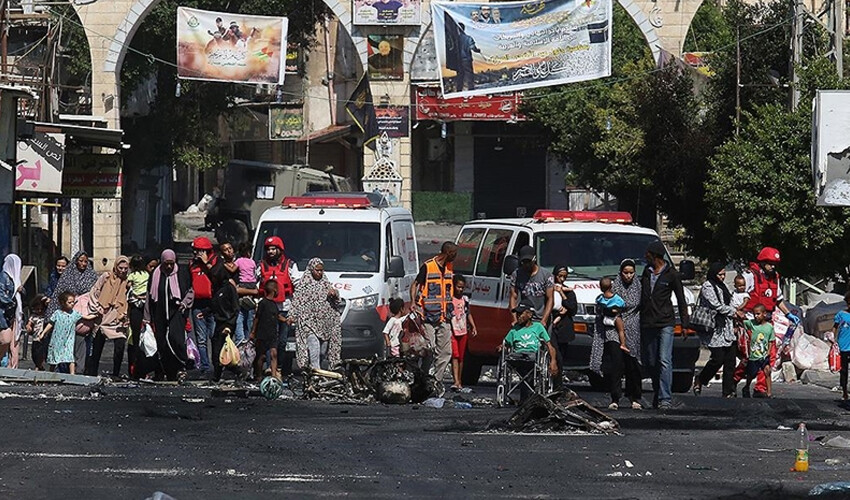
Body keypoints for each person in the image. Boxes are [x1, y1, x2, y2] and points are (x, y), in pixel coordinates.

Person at [736, 247, 800, 397]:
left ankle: (760, 388)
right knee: (750, 357)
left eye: (774, 264)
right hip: (751, 322)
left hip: (767, 323)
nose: (773, 267)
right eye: (770, 263)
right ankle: (735, 379)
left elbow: (778, 300)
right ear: (763, 262)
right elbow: (739, 294)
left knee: (768, 356)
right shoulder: (751, 276)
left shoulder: (774, 277)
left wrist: (788, 314)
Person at [640, 240, 689, 410]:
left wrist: (684, 324)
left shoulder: (671, 275)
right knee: (651, 361)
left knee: (664, 360)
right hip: (648, 323)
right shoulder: (646, 273)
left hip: (665, 322)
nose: (645, 257)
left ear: (655, 256)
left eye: (648, 254)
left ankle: (665, 398)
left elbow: (681, 300)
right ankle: (657, 392)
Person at [410, 241, 457, 394]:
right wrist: (412, 302)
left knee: (445, 352)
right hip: (428, 316)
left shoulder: (450, 268)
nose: (456, 257)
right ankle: (423, 378)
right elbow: (415, 284)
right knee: (429, 350)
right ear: (448, 253)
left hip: (444, 317)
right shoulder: (428, 266)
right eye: (454, 253)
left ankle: (436, 383)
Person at [144, 250, 194, 382]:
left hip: (176, 313)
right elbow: (150, 296)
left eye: (171, 264)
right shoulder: (156, 274)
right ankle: (167, 371)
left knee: (176, 339)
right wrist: (147, 317)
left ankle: (181, 367)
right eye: (166, 264)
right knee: (162, 343)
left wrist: (184, 303)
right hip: (159, 314)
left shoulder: (181, 273)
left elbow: (190, 291)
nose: (169, 267)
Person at [692, 263, 741, 398]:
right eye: (720, 274)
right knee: (717, 359)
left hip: (727, 328)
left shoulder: (724, 287)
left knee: (730, 361)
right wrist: (733, 312)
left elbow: (729, 303)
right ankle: (701, 379)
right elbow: (716, 305)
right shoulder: (708, 286)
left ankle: (728, 392)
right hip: (715, 328)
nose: (722, 277)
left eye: (724, 274)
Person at [47, 251, 99, 371]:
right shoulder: (68, 276)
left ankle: (79, 370)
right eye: (81, 261)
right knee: (64, 344)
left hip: (85, 316)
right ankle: (61, 370)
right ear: (76, 261)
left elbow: (96, 294)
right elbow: (58, 296)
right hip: (67, 318)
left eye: (86, 261)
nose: (83, 264)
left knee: (82, 344)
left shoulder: (91, 276)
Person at [499, 304, 559, 402]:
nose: (518, 316)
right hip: (517, 356)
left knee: (530, 371)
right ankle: (522, 397)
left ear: (529, 314)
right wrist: (501, 347)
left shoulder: (538, 327)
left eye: (520, 314)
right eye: (517, 314)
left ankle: (528, 397)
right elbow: (506, 344)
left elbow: (550, 346)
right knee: (516, 363)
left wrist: (553, 362)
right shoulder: (515, 329)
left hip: (533, 356)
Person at [291, 258, 342, 370]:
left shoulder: (325, 283)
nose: (319, 273)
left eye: (321, 270)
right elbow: (296, 301)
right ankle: (316, 372)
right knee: (314, 346)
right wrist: (291, 316)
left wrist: (334, 294)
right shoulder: (303, 285)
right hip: (308, 322)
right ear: (311, 270)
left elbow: (337, 300)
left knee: (322, 351)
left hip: (325, 324)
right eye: (317, 270)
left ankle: (316, 368)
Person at [255, 236, 297, 372]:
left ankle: (278, 366)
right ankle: (269, 367)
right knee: (268, 340)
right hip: (268, 310)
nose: (271, 252)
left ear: (280, 250)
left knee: (283, 340)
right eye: (268, 249)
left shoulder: (290, 265)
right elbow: (256, 285)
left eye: (273, 249)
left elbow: (296, 284)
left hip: (285, 308)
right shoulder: (261, 266)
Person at [86, 256, 131, 377]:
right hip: (103, 317)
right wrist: (97, 308)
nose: (122, 271)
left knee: (120, 346)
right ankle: (92, 372)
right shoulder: (106, 277)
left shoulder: (128, 281)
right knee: (97, 347)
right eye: (120, 268)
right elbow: (95, 291)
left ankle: (116, 373)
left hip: (119, 317)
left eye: (125, 268)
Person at [189, 236, 226, 374]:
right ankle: (204, 366)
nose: (196, 254)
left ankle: (217, 364)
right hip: (198, 304)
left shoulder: (217, 262)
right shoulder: (192, 264)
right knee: (201, 338)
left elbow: (219, 277)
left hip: (213, 304)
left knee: (214, 336)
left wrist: (206, 264)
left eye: (199, 251)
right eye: (195, 251)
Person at [611, 259, 644, 409]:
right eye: (626, 273)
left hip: (634, 328)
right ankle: (615, 398)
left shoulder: (639, 286)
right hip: (615, 328)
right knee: (617, 365)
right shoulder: (614, 286)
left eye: (631, 273)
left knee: (633, 365)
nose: (629, 276)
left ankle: (634, 397)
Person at [44, 291, 98, 374]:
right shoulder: (57, 313)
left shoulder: (74, 314)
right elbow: (50, 323)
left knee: (70, 357)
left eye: (73, 302)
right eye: (70, 302)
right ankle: (50, 373)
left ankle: (72, 374)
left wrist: (96, 314)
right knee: (55, 357)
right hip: (57, 339)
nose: (72, 304)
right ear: (62, 303)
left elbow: (86, 317)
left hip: (68, 339)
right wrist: (43, 333)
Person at [509, 246, 554, 327]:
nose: (526, 265)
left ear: (534, 259)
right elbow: (513, 297)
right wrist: (515, 319)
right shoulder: (516, 274)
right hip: (524, 317)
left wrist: (544, 320)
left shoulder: (546, 275)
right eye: (524, 262)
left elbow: (550, 298)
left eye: (529, 261)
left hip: (540, 318)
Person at [549, 265, 578, 389]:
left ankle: (558, 387)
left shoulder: (569, 292)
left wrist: (562, 293)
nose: (561, 279)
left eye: (564, 277)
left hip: (564, 329)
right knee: (555, 356)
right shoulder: (549, 289)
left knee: (561, 358)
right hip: (551, 327)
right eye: (559, 276)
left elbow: (572, 308)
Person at [448, 274, 477, 393]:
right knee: (455, 355)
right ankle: (456, 381)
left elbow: (468, 313)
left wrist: (473, 326)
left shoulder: (465, 300)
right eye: (458, 287)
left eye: (462, 287)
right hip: (452, 330)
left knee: (461, 357)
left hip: (463, 330)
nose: (460, 289)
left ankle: (459, 380)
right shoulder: (449, 300)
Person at [251, 281, 283, 381]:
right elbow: (257, 318)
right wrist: (253, 332)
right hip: (262, 333)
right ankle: (259, 375)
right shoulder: (263, 303)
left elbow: (277, 316)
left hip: (272, 333)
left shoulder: (274, 304)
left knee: (274, 353)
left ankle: (273, 376)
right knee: (261, 355)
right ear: (274, 290)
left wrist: (286, 320)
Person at [210, 276, 239, 382]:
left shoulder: (229, 288)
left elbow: (235, 309)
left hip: (227, 324)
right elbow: (215, 305)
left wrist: (229, 326)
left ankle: (237, 371)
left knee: (223, 351)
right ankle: (217, 375)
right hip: (219, 323)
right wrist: (205, 312)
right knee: (216, 349)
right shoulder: (217, 288)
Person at [742, 304, 774, 398]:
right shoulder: (751, 324)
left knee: (767, 371)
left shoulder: (769, 327)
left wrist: (768, 352)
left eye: (758, 314)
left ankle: (769, 392)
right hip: (754, 355)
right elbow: (743, 322)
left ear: (764, 314)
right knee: (751, 374)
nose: (756, 316)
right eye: (754, 314)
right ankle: (746, 387)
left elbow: (770, 341)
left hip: (764, 355)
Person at [127, 255, 150, 379]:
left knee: (135, 337)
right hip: (145, 304)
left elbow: (128, 286)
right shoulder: (147, 274)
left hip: (135, 304)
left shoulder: (132, 275)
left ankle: (134, 367)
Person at [0, 254, 24, 367]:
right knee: (5, 339)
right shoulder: (4, 277)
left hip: (14, 314)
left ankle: (11, 367)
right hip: (4, 313)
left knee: (14, 341)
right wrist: (12, 303)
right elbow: (1, 295)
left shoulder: (15, 278)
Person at [234, 243, 258, 345]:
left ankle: (240, 338)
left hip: (243, 284)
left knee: (240, 313)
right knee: (249, 316)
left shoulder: (238, 261)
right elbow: (255, 273)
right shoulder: (252, 262)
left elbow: (233, 269)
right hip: (252, 284)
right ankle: (249, 340)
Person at [829, 292, 850, 401]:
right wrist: (832, 339)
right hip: (843, 347)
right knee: (844, 370)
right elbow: (835, 327)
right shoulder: (841, 314)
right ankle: (845, 391)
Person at [454, 23, 481, 92]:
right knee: (469, 74)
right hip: (467, 59)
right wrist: (478, 50)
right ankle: (471, 89)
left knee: (460, 75)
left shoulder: (455, 39)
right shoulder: (468, 38)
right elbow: (473, 48)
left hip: (458, 60)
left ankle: (459, 90)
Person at [27, 294, 50, 370]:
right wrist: (29, 327)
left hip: (43, 338)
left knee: (41, 353)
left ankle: (38, 366)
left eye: (41, 309)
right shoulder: (33, 316)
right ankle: (39, 366)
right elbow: (29, 323)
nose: (39, 311)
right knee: (34, 353)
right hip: (35, 337)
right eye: (37, 309)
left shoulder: (46, 316)